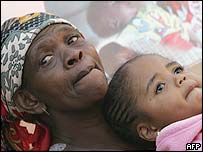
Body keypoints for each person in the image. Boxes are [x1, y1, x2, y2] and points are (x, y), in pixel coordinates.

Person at [1, 12, 136, 151]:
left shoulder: (142, 110)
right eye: (46, 59)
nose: (73, 54)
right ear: (29, 100)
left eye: (72, 39)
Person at [102, 54, 202, 150]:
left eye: (177, 70)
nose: (179, 78)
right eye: (160, 87)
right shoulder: (188, 145)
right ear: (149, 131)